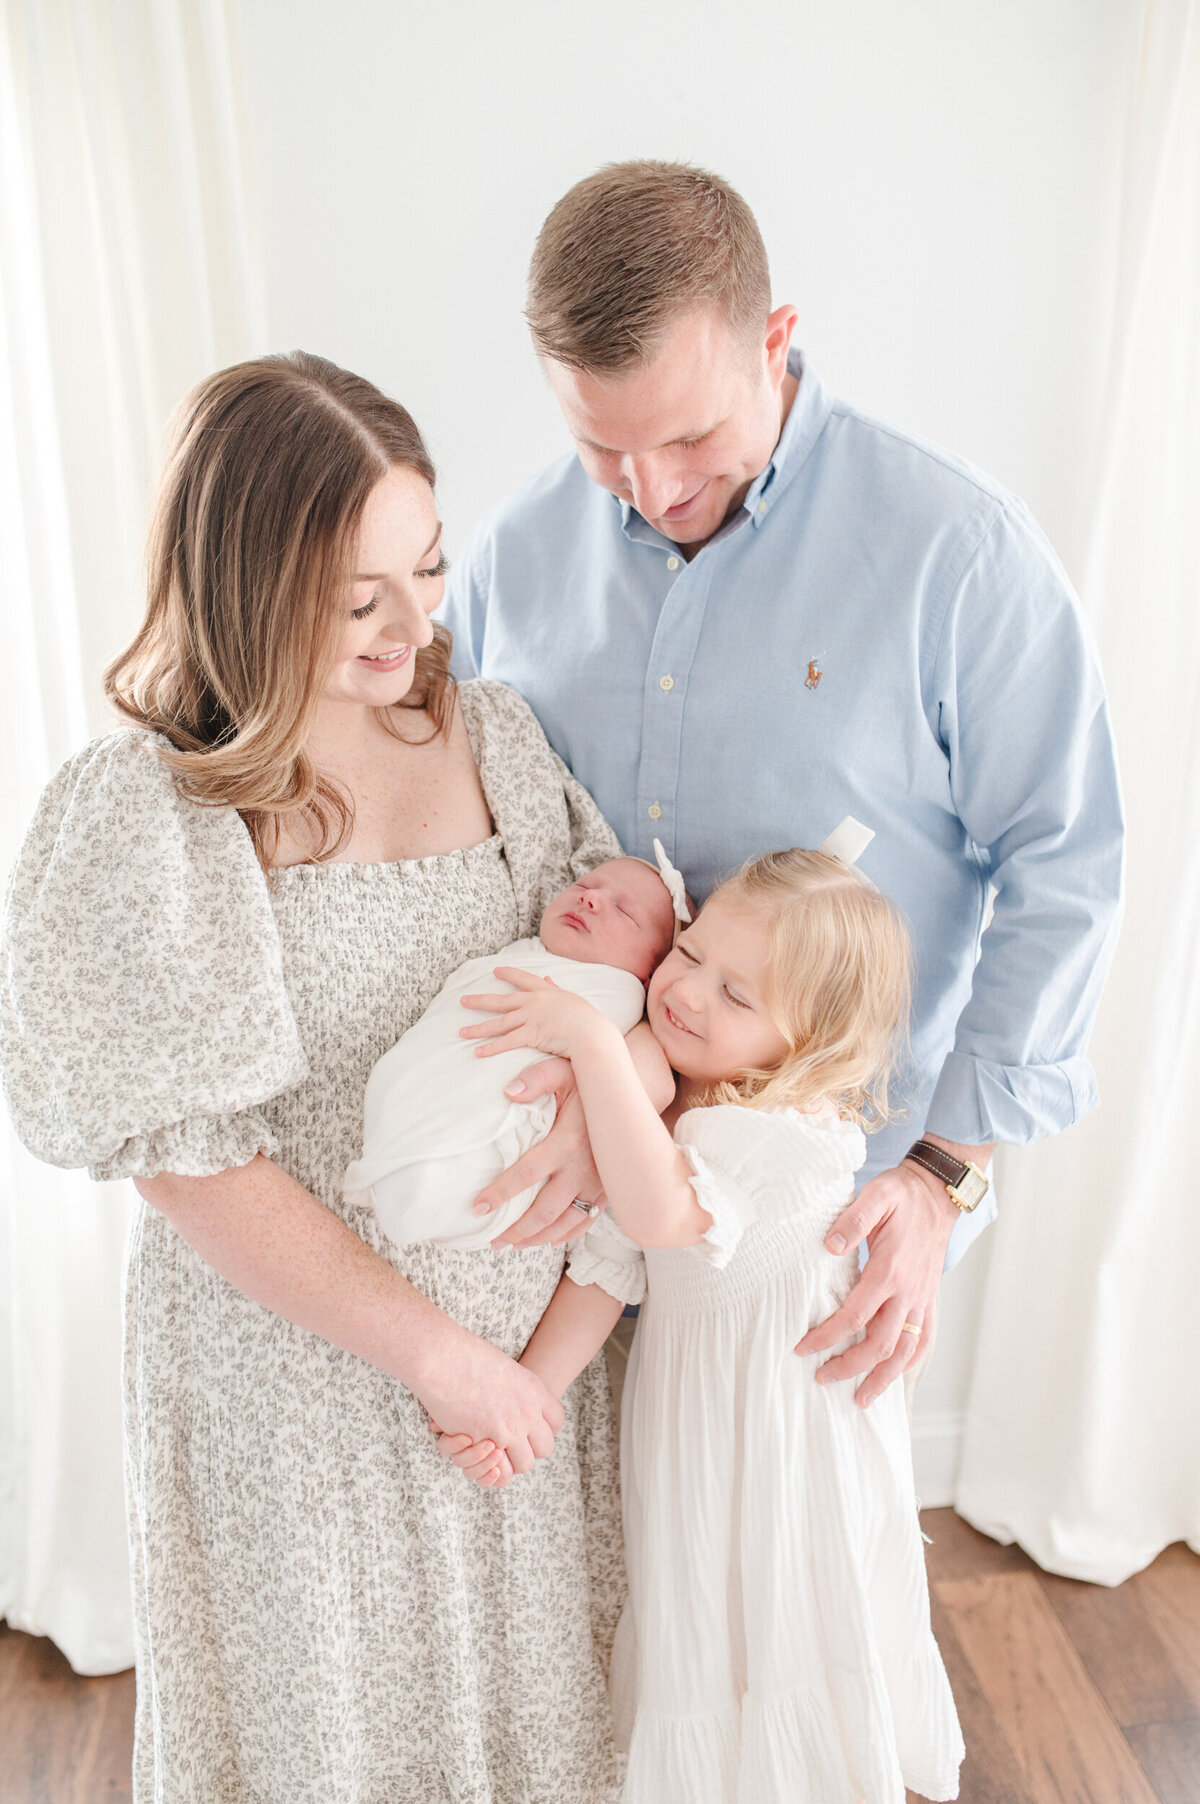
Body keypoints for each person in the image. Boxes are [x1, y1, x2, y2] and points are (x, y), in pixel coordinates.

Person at [0, 352, 635, 1803]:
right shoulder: (154, 810)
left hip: (520, 1401)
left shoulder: (502, 744)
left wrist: (551, 1290)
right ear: (245, 582)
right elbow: (191, 1161)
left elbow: (612, 987)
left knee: (538, 1729)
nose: (417, 629)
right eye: (364, 601)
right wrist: (439, 1354)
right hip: (296, 1398)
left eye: (429, 569)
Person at [442, 160, 1124, 1403]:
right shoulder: (513, 556)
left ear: (777, 341)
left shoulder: (957, 553)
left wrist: (943, 1172)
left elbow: (1065, 862)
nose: (656, 491)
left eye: (692, 434)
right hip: (554, 1219)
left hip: (816, 1238)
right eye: (603, 446)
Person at [442, 844, 966, 1801]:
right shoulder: (688, 1102)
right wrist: (530, 1393)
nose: (688, 995)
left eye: (738, 996)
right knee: (709, 1642)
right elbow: (608, 1266)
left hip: (782, 1444)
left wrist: (599, 1045)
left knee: (788, 1636)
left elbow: (654, 1216)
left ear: (805, 1047)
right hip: (702, 1439)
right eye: (691, 958)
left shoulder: (783, 1135)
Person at [343, 853, 677, 1249]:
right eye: (584, 886)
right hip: (427, 1100)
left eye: (624, 911)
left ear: (651, 975)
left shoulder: (619, 994)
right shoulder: (519, 954)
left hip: (502, 1171)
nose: (591, 899)